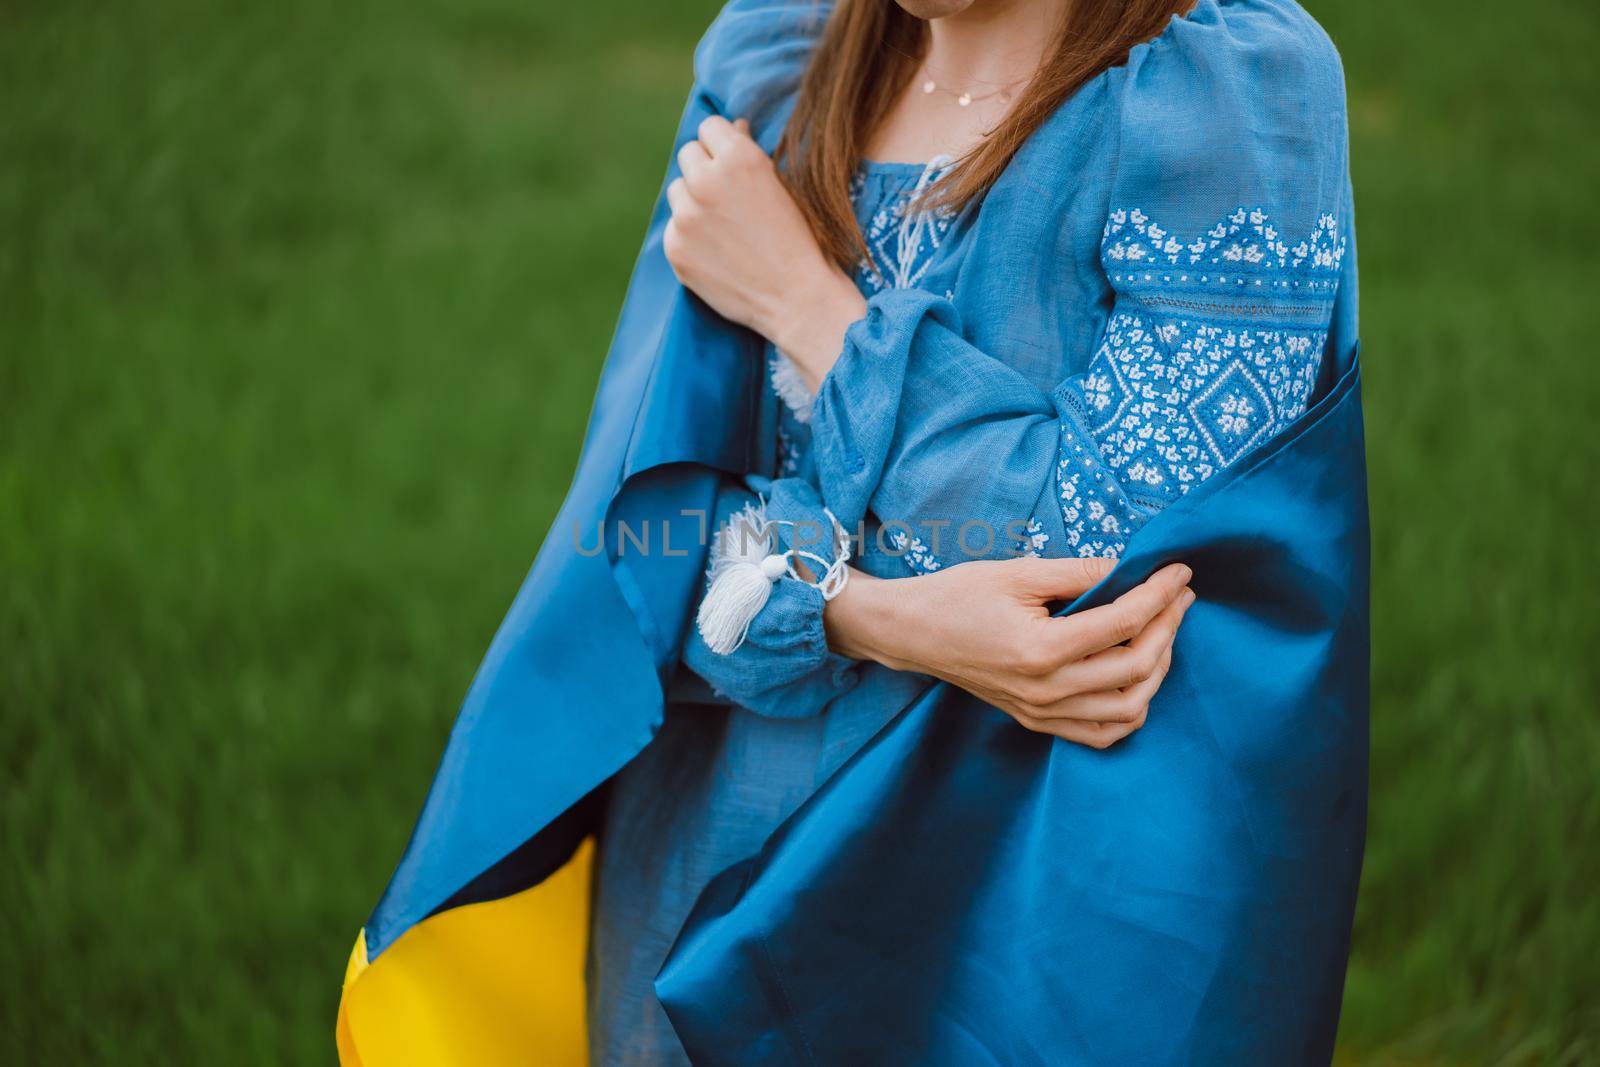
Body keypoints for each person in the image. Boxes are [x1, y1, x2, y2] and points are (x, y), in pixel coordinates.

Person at [586, 0, 1358, 1062]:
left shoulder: (1219, 91)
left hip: (1025, 892)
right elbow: (646, 531)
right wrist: (877, 618)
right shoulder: (780, 63)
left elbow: (1104, 564)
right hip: (713, 839)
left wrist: (807, 307)